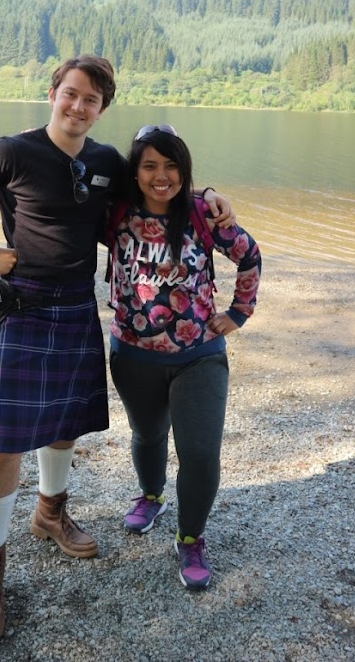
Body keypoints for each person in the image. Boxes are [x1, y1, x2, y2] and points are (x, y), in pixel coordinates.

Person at [0, 57, 233, 644]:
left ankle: (50, 512)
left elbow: (158, 188)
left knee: (63, 425)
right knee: (0, 443)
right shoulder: (10, 151)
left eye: (91, 100)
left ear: (102, 108)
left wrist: (208, 195)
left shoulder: (106, 161)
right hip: (22, 306)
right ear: (53, 94)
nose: (78, 106)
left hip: (75, 308)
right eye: (71, 94)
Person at [107, 124, 261, 591]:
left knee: (200, 453)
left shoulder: (202, 215)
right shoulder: (114, 214)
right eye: (150, 165)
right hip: (132, 354)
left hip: (200, 356)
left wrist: (239, 311)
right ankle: (151, 496)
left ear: (184, 169)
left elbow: (250, 256)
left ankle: (191, 537)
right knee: (148, 434)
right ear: (135, 171)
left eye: (171, 166)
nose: (161, 176)